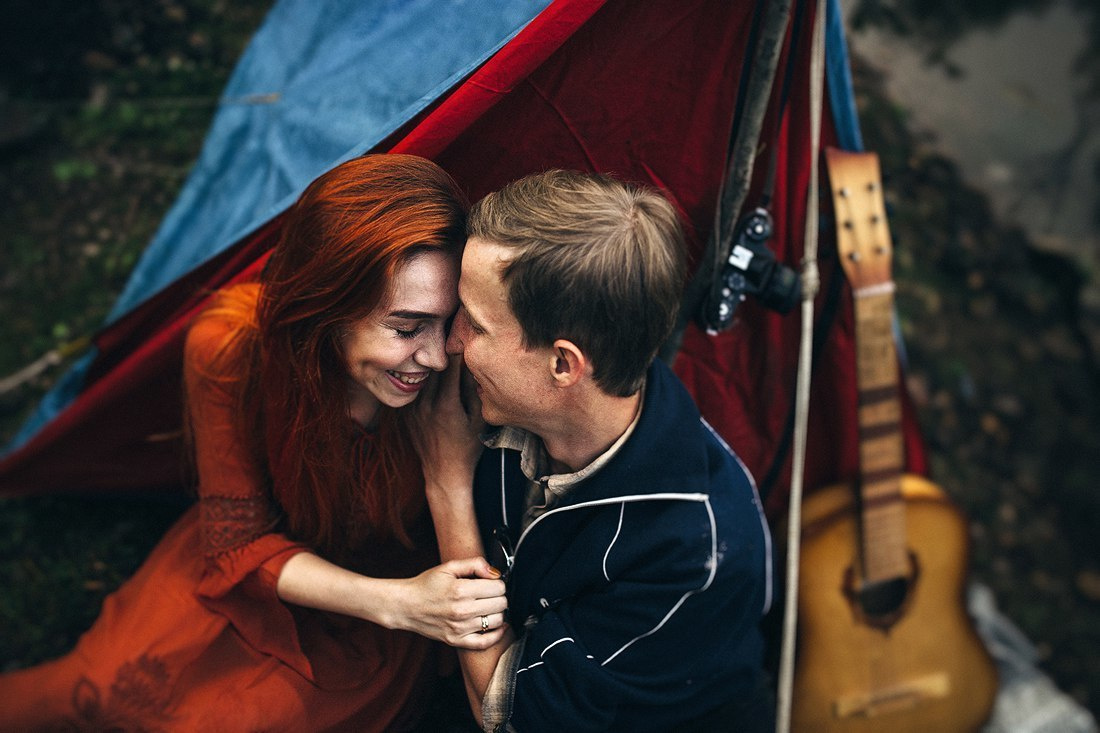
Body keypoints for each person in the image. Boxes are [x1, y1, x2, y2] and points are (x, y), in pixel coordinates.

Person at [0, 154, 507, 732]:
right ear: (329, 306)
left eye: (448, 323)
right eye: (406, 328)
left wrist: (441, 497)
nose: (436, 356)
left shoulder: (461, 379)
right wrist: (396, 604)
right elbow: (238, 546)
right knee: (90, 693)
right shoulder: (231, 349)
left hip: (368, 629)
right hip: (266, 578)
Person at [415, 169, 775, 731]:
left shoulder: (690, 550)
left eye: (477, 326)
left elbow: (513, 718)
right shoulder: (500, 396)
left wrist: (447, 484)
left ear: (564, 364)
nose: (450, 342)